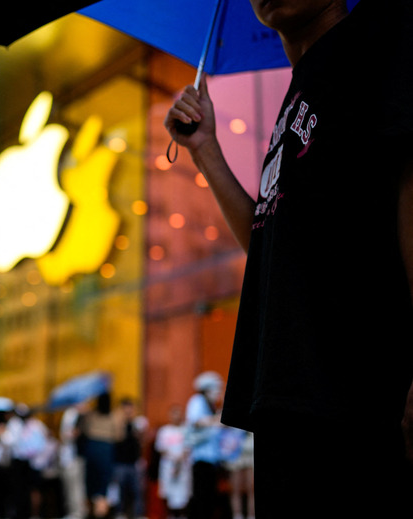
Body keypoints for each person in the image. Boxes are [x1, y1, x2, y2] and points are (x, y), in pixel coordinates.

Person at [165, 0, 413, 517]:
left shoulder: (379, 37)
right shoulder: (300, 87)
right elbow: (270, 247)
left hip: (361, 398)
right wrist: (206, 149)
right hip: (287, 402)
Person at [184, 372, 224, 519]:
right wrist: (217, 420)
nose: (218, 393)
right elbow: (196, 420)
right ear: (207, 389)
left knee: (210, 496)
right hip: (201, 459)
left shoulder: (210, 406)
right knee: (201, 495)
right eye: (216, 389)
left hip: (212, 459)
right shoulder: (197, 401)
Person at [77, 392, 121, 518]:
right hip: (106, 450)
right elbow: (118, 436)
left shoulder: (91, 415)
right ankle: (100, 514)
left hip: (91, 448)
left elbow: (83, 430)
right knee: (103, 487)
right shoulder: (113, 416)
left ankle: (90, 513)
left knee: (90, 486)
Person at [154, 405, 191, 519]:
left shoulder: (186, 430)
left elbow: (188, 448)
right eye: (174, 413)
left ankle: (182, 515)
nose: (176, 416)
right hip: (168, 468)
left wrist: (179, 459)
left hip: (183, 468)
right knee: (168, 493)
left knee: (183, 494)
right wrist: (174, 458)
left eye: (178, 413)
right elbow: (161, 449)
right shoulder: (164, 430)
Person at [112, 397, 145, 519]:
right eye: (126, 410)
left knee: (137, 491)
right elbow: (116, 440)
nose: (129, 413)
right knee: (120, 491)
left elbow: (141, 442)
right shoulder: (117, 425)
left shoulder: (136, 424)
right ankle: (120, 513)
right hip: (120, 462)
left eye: (131, 410)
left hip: (134, 462)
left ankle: (138, 514)